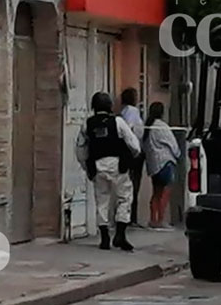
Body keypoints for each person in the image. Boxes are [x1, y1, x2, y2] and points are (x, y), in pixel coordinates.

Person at [76, 92, 140, 251]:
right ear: (109, 106)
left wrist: (87, 167)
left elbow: (80, 148)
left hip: (98, 166)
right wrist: (133, 157)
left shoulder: (88, 124)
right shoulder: (118, 122)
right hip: (118, 166)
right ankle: (120, 234)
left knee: (102, 201)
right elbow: (133, 144)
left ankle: (104, 238)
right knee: (124, 198)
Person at [143, 102, 180, 228]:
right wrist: (178, 155)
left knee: (156, 193)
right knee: (166, 191)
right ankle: (161, 220)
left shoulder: (148, 127)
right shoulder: (162, 126)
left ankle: (153, 219)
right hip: (165, 162)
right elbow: (172, 144)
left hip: (153, 165)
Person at [119, 88, 146, 225]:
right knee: (133, 185)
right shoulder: (131, 111)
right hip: (134, 152)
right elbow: (129, 129)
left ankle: (129, 216)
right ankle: (130, 217)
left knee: (130, 185)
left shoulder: (124, 111)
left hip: (130, 152)